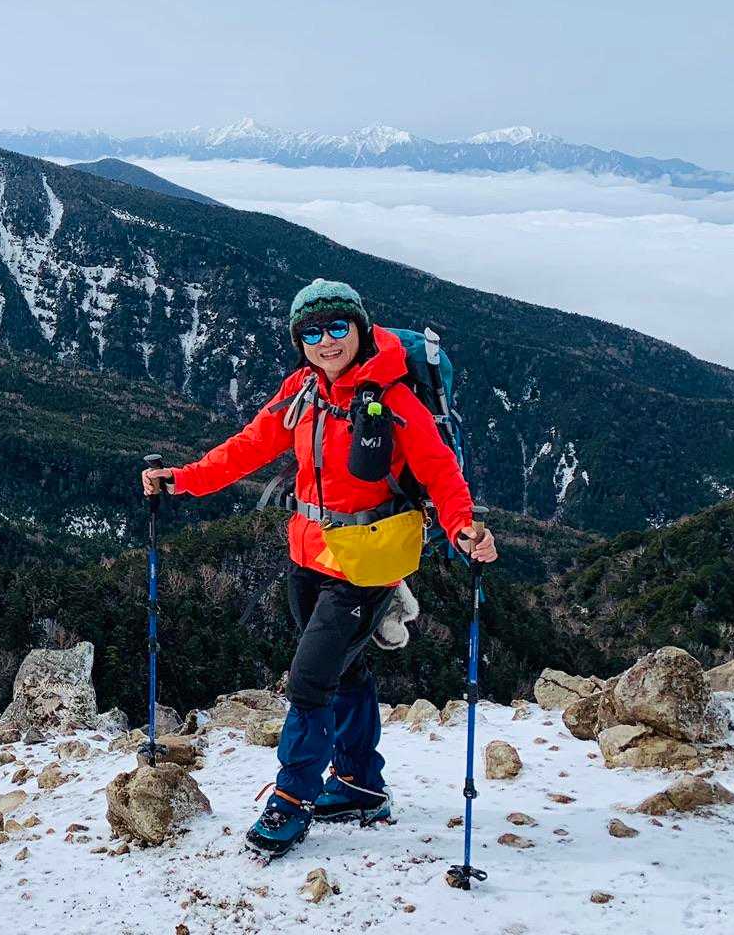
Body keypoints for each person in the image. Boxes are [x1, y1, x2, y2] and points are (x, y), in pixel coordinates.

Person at [141, 278, 497, 859]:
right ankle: (360, 783)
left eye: (337, 327)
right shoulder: (301, 392)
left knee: (308, 681)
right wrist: (182, 480)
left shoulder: (394, 399)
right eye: (311, 332)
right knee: (345, 671)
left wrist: (463, 530)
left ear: (359, 328)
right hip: (307, 554)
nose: (326, 341)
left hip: (367, 561)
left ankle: (292, 798)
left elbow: (441, 473)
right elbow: (248, 447)